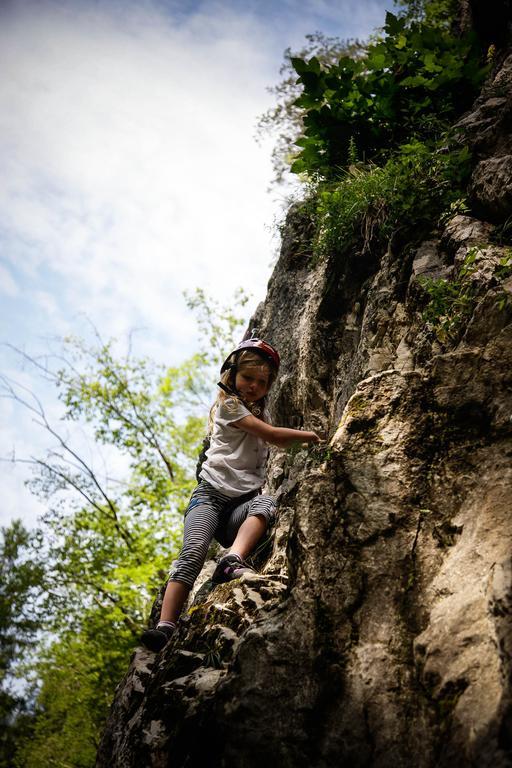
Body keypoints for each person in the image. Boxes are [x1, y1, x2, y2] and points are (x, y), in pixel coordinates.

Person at [141, 336, 321, 652]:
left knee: (266, 503)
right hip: (209, 498)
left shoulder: (256, 413)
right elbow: (273, 436)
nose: (253, 386)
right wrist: (313, 437)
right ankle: (165, 627)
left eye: (262, 382)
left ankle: (232, 559)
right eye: (248, 378)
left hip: (238, 507)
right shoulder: (230, 406)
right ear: (232, 375)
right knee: (193, 552)